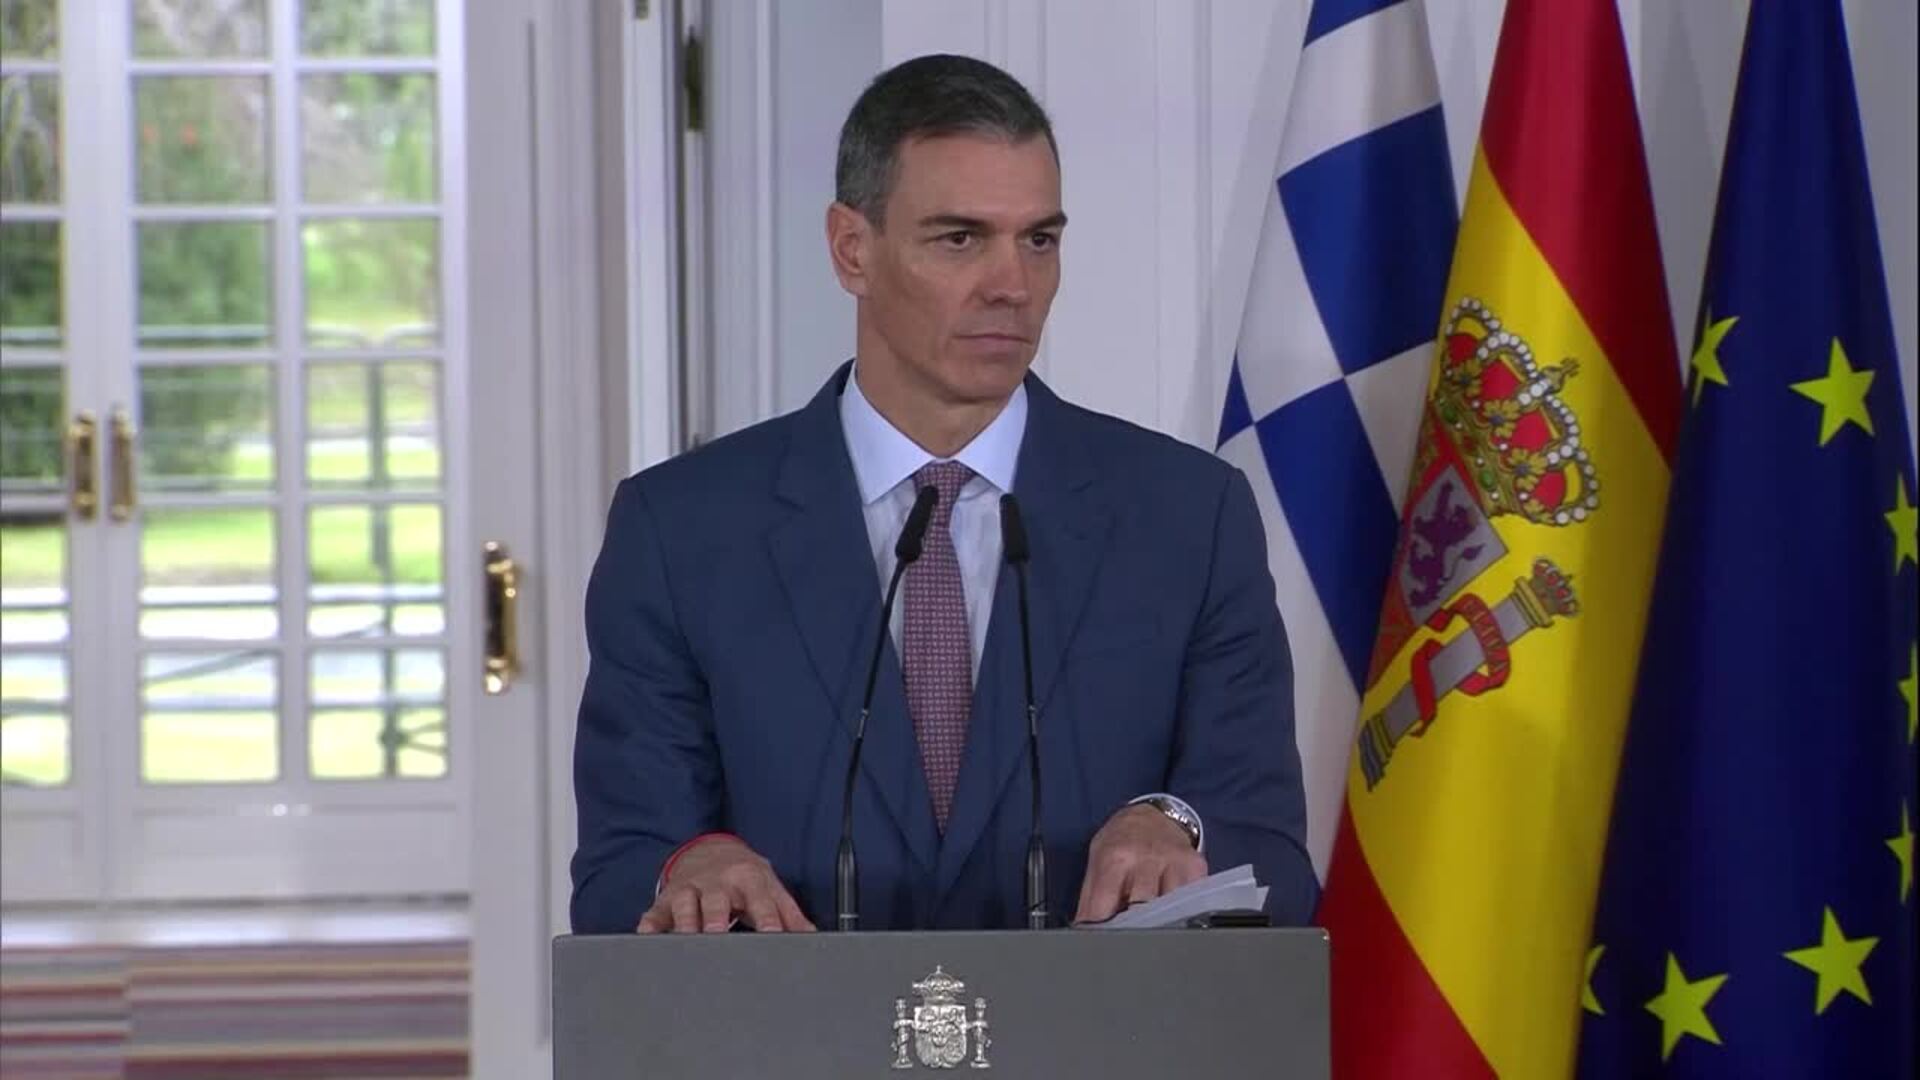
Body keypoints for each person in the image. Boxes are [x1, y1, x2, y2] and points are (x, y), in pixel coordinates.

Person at [569, 53, 1316, 934]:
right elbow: (621, 869)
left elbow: (1270, 854)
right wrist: (687, 866)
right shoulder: (679, 530)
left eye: (1038, 240)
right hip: (797, 1021)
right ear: (852, 249)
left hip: (1094, 1020)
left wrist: (1175, 824)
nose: (1012, 285)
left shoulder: (1191, 516)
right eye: (960, 239)